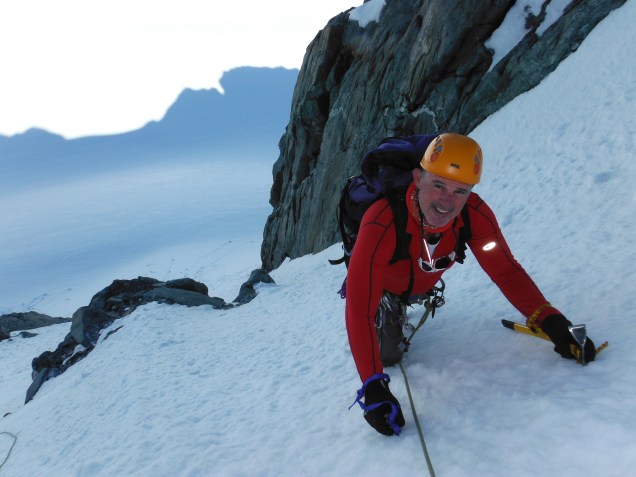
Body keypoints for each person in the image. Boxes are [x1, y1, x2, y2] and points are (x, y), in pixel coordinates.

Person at [345, 132, 597, 436]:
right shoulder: (381, 222)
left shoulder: (474, 216)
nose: (446, 201)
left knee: (413, 293)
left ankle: (408, 299)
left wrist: (552, 320)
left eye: (460, 191)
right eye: (438, 184)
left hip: (423, 277)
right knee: (388, 357)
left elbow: (505, 271)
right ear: (418, 177)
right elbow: (360, 308)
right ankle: (392, 307)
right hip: (382, 285)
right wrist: (373, 387)